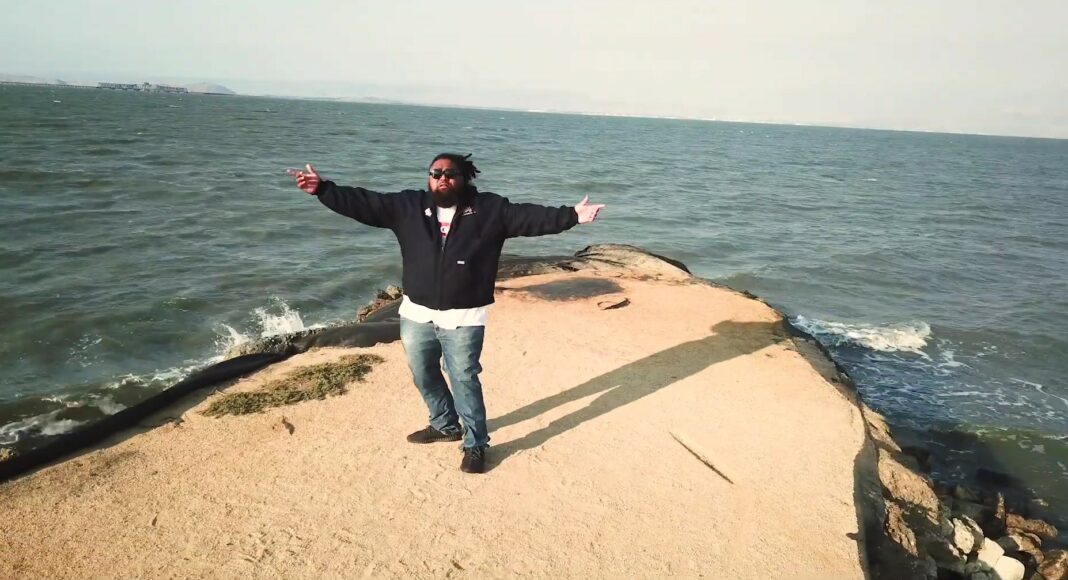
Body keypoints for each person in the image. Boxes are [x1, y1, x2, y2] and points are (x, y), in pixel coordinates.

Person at [289, 153, 604, 473]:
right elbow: (365, 203)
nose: (442, 178)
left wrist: (572, 215)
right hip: (415, 311)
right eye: (435, 173)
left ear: (464, 178)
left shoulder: (490, 210)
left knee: (463, 378)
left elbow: (531, 217)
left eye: (450, 174)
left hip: (464, 315)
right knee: (422, 372)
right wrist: (323, 190)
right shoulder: (408, 207)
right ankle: (444, 425)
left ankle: (476, 444)